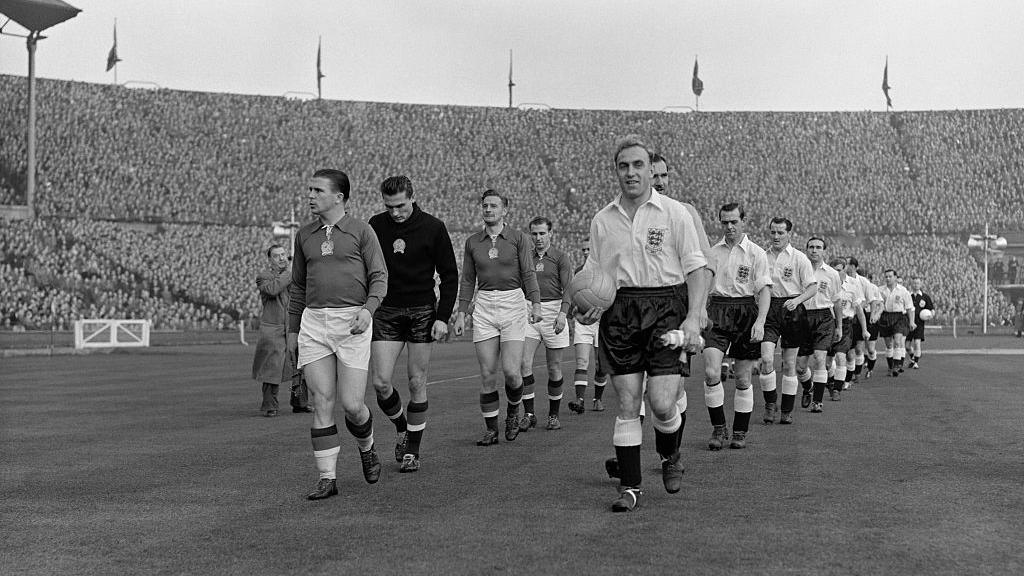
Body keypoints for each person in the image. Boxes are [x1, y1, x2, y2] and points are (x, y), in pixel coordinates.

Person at [576, 135, 707, 512]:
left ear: (651, 170)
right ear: (616, 171)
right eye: (623, 166)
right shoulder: (603, 219)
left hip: (667, 307)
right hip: (621, 313)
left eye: (638, 165)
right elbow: (595, 276)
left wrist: (694, 317)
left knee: (663, 403)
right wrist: (585, 306)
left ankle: (670, 455)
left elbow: (697, 269)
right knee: (628, 402)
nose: (630, 172)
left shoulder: (674, 213)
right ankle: (630, 488)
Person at [288, 168, 389, 500]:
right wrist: (292, 330)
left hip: (353, 321)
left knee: (353, 405)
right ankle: (327, 477)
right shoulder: (304, 235)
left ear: (339, 197)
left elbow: (379, 277)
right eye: (310, 189)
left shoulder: (362, 231)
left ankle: (367, 445)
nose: (311, 195)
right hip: (314, 323)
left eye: (317, 190)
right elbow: (299, 287)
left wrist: (367, 310)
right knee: (321, 402)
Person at [368, 175, 459, 473]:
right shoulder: (376, 225)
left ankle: (413, 452)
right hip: (387, 310)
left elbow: (449, 275)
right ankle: (402, 428)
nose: (395, 212)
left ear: (412, 197)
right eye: (389, 206)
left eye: (401, 206)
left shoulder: (433, 227)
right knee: (381, 383)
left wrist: (443, 317)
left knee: (416, 381)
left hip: (422, 310)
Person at [453, 189, 542, 446]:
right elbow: (468, 279)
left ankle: (513, 411)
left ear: (505, 210)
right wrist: (461, 313)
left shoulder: (518, 238)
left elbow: (528, 273)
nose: (488, 210)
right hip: (484, 306)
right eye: (485, 206)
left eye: (493, 206)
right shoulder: (473, 242)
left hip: (512, 303)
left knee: (512, 372)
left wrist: (535, 303)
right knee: (487, 373)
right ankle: (491, 430)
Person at [702, 202, 771, 450]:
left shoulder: (756, 253)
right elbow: (703, 284)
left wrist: (761, 322)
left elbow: (764, 290)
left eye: (734, 222)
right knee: (711, 372)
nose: (729, 227)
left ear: (743, 221)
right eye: (724, 222)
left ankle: (740, 431)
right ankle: (719, 428)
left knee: (742, 378)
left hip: (745, 311)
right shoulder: (712, 252)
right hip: (717, 311)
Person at [758, 218, 817, 425]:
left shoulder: (799, 258)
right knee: (766, 359)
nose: (776, 236)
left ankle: (786, 410)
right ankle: (770, 403)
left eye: (780, 233)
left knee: (789, 363)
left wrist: (797, 300)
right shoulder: (761, 256)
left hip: (792, 309)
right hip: (769, 308)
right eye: (773, 232)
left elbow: (812, 287)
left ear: (789, 234)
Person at [519, 216, 572, 431]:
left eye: (542, 233)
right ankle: (529, 414)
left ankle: (553, 415)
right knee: (523, 363)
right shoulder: (525, 257)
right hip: (530, 310)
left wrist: (563, 314)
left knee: (554, 367)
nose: (538, 238)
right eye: (534, 234)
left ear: (551, 233)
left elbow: (569, 287)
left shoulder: (561, 257)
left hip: (553, 312)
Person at [252, 243, 310, 417]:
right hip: (273, 328)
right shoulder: (264, 276)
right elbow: (272, 290)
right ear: (270, 260)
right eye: (277, 256)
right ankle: (270, 405)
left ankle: (300, 403)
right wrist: (290, 274)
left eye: (283, 254)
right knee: (272, 369)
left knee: (299, 366)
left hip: (293, 326)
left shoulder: (292, 276)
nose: (282, 258)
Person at [794, 238, 841, 412]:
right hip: (803, 317)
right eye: (811, 247)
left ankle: (818, 401)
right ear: (806, 250)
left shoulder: (832, 274)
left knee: (820, 358)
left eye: (818, 247)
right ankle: (808, 388)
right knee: (799, 366)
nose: (814, 250)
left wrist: (839, 327)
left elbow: (836, 302)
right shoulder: (799, 270)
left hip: (824, 318)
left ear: (824, 251)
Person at [567, 236, 609, 413]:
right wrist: (572, 315)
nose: (585, 252)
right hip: (583, 322)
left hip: (602, 323)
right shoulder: (578, 272)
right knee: (582, 361)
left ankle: (597, 398)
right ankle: (580, 400)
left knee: (601, 366)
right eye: (583, 249)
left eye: (588, 249)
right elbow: (572, 296)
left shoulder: (606, 272)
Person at [845, 258, 882, 384]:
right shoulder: (841, 279)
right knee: (848, 349)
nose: (845, 265)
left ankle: (856, 373)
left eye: (847, 263)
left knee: (859, 348)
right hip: (846, 316)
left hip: (860, 317)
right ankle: (846, 372)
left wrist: (872, 315)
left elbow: (872, 300)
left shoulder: (863, 281)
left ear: (853, 266)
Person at [878, 268, 916, 377]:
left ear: (895, 277)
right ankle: (891, 366)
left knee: (898, 341)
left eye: (890, 276)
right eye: (886, 276)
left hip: (899, 316)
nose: (888, 278)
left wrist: (912, 322)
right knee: (889, 344)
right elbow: (877, 304)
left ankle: (896, 366)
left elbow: (910, 308)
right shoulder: (880, 290)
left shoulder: (903, 291)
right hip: (885, 316)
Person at [907, 276, 934, 369]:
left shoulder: (925, 297)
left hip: (919, 324)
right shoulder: (908, 295)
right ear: (911, 284)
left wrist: (931, 315)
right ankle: (913, 357)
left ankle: (915, 362)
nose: (916, 285)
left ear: (920, 284)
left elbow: (931, 309)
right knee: (907, 346)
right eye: (914, 283)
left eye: (918, 283)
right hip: (908, 324)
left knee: (917, 343)